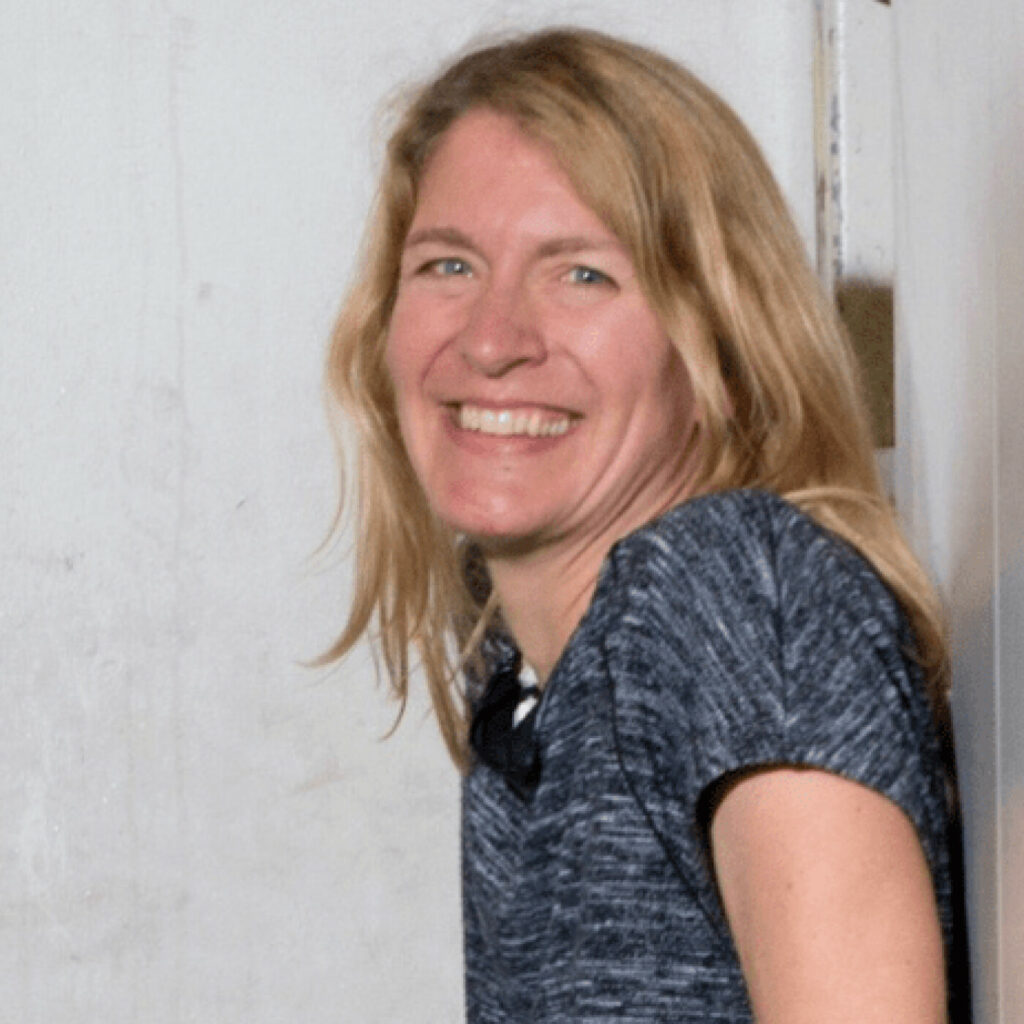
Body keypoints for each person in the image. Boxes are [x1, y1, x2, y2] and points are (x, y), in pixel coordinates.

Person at [322, 27, 964, 1023]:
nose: (492, 340)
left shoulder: (736, 590)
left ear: (722, 348)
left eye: (582, 274)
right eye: (449, 265)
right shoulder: (527, 689)